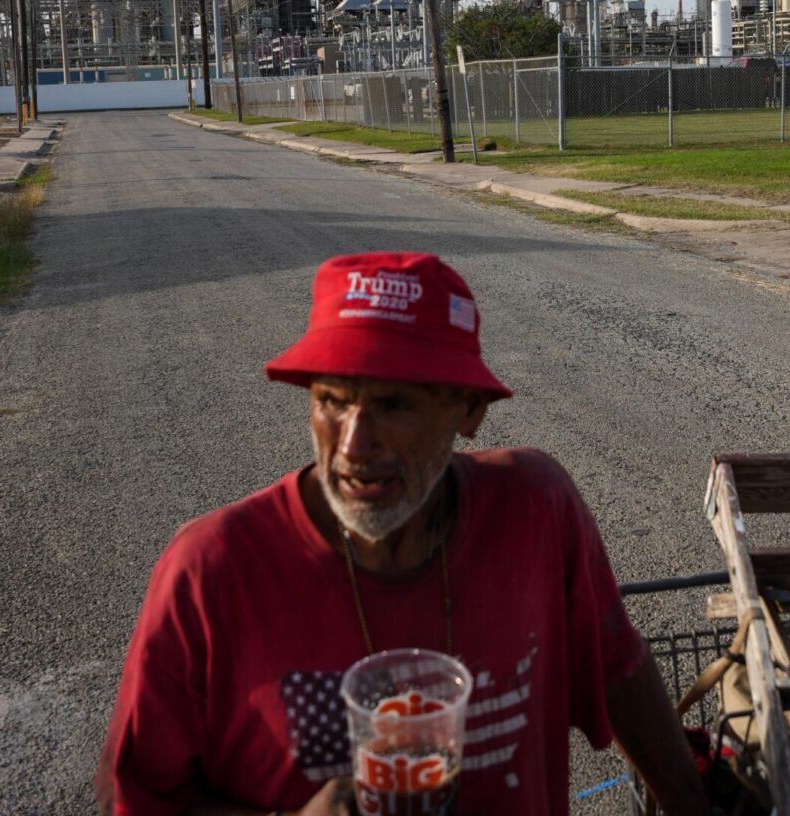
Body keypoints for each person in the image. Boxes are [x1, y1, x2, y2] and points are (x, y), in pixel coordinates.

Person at [98, 252, 709, 816]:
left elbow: (617, 667)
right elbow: (133, 797)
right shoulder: (209, 571)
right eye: (332, 400)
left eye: (394, 406)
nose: (354, 447)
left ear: (470, 410)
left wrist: (697, 804)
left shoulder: (536, 509)